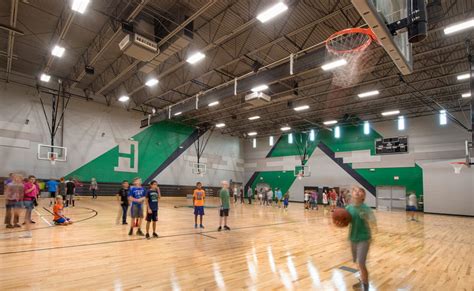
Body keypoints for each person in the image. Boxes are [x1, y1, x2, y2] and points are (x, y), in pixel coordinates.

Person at [336, 186, 377, 291]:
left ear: (363, 196)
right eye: (355, 191)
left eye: (360, 191)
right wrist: (339, 222)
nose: (357, 192)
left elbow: (373, 222)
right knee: (357, 262)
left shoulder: (366, 209)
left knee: (361, 263)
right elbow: (345, 221)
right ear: (352, 194)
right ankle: (362, 280)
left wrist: (374, 230)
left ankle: (366, 287)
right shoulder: (349, 208)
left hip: (364, 239)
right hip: (353, 238)